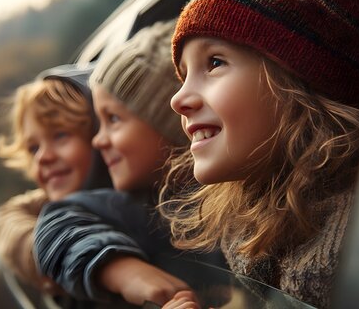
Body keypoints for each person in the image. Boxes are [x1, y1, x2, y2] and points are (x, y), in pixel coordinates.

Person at [159, 0, 359, 309]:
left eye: (214, 63)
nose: (178, 99)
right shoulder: (248, 230)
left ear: (304, 80)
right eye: (183, 76)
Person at [34, 20, 226, 308]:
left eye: (113, 120)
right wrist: (127, 273)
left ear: (173, 121)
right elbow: (58, 223)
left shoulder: (238, 200)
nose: (98, 141)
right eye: (99, 122)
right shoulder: (142, 206)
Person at [0, 64, 111, 307]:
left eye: (60, 135)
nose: (42, 157)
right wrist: (55, 253)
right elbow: (9, 216)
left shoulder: (143, 209)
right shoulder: (45, 205)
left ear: (101, 132)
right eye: (33, 148)